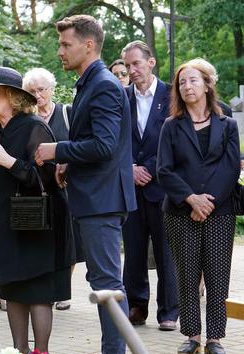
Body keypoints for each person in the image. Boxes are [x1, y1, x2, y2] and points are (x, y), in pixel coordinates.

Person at [35, 15, 136, 354]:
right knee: (103, 284)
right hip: (94, 197)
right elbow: (95, 141)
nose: (59, 50)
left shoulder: (104, 84)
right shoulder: (89, 83)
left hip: (102, 201)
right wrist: (70, 164)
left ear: (88, 45)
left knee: (108, 286)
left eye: (65, 44)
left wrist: (57, 151)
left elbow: (106, 145)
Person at [0, 66, 74, 354]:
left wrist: (9, 162)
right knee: (12, 290)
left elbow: (48, 180)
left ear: (12, 97)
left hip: (35, 227)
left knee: (38, 293)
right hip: (5, 226)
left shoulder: (34, 127)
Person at [156, 58, 240, 354]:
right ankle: (191, 336)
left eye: (193, 80)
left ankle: (215, 338)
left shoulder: (228, 124)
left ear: (207, 84)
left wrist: (207, 202)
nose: (187, 86)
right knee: (187, 275)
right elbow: (163, 170)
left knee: (218, 275)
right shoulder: (171, 126)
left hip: (220, 211)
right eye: (182, 82)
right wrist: (191, 199)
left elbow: (231, 167)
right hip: (181, 212)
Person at [120, 40, 179, 331]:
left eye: (136, 64)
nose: (131, 70)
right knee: (133, 251)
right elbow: (116, 140)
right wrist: (128, 168)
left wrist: (150, 169)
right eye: (128, 65)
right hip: (130, 187)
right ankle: (137, 306)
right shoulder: (121, 98)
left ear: (151, 62)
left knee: (167, 253)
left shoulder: (172, 95)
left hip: (163, 187)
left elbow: (177, 141)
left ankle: (168, 312)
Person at [23, 67, 79, 312]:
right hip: (34, 190)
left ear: (52, 89)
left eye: (42, 89)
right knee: (40, 242)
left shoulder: (67, 113)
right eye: (32, 91)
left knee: (67, 240)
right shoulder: (25, 119)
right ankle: (41, 288)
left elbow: (80, 145)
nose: (37, 95)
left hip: (64, 188)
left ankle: (62, 291)